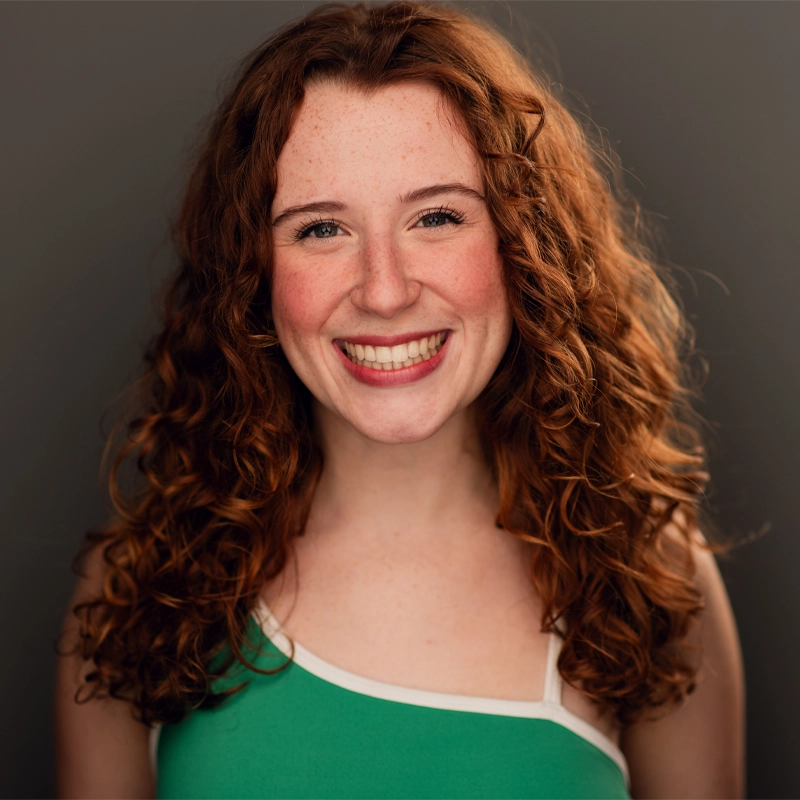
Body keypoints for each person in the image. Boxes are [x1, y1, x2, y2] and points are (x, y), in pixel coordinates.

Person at [55, 2, 745, 798]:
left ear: (527, 245)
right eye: (321, 229)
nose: (384, 291)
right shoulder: (140, 584)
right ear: (251, 273)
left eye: (438, 216)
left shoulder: (649, 577)